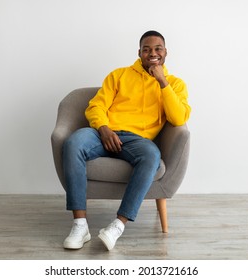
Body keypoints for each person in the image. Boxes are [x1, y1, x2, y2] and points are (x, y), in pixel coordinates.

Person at [62, 30, 191, 250]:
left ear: (166, 52)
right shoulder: (119, 75)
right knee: (73, 142)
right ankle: (80, 225)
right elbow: (96, 106)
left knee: (151, 155)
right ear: (139, 52)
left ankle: (117, 226)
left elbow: (178, 117)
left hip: (137, 141)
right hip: (104, 133)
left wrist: (162, 81)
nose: (152, 53)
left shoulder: (175, 84)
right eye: (146, 49)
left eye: (157, 48)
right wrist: (103, 129)